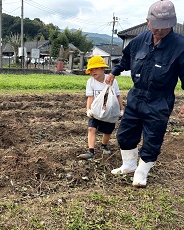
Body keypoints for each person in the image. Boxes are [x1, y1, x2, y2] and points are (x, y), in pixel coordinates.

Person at [105, 0, 184, 187]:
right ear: (147, 21)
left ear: (172, 24)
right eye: (156, 27)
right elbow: (126, 60)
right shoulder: (140, 40)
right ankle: (129, 165)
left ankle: (141, 172)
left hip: (160, 100)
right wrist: (113, 72)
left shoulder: (180, 46)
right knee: (125, 134)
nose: (159, 31)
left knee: (152, 138)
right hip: (136, 97)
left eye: (164, 28)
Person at [78, 56, 124, 160]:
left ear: (103, 68)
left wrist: (121, 109)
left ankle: (104, 145)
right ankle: (91, 151)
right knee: (91, 128)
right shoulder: (90, 82)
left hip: (109, 111)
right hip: (96, 110)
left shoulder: (112, 80)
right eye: (91, 70)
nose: (93, 71)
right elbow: (90, 97)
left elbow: (117, 96)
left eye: (96, 68)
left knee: (107, 131)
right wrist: (88, 109)